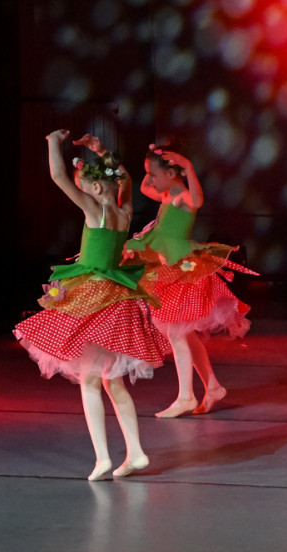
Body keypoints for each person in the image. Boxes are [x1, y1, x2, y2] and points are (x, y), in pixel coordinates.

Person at [14, 130, 167, 479]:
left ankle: (102, 458)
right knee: (113, 381)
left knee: (90, 381)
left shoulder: (94, 210)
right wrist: (101, 151)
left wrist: (52, 142)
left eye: (82, 186)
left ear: (96, 188)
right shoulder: (125, 212)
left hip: (94, 298)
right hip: (119, 299)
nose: (79, 190)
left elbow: (57, 176)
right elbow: (125, 179)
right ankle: (136, 452)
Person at [125, 142, 254, 418]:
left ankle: (186, 396)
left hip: (183, 268)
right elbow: (146, 187)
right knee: (183, 332)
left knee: (177, 332)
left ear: (172, 174)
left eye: (155, 174)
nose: (151, 180)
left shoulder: (183, 197)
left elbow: (198, 200)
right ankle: (213, 387)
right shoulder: (165, 196)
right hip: (168, 268)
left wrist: (188, 167)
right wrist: (151, 159)